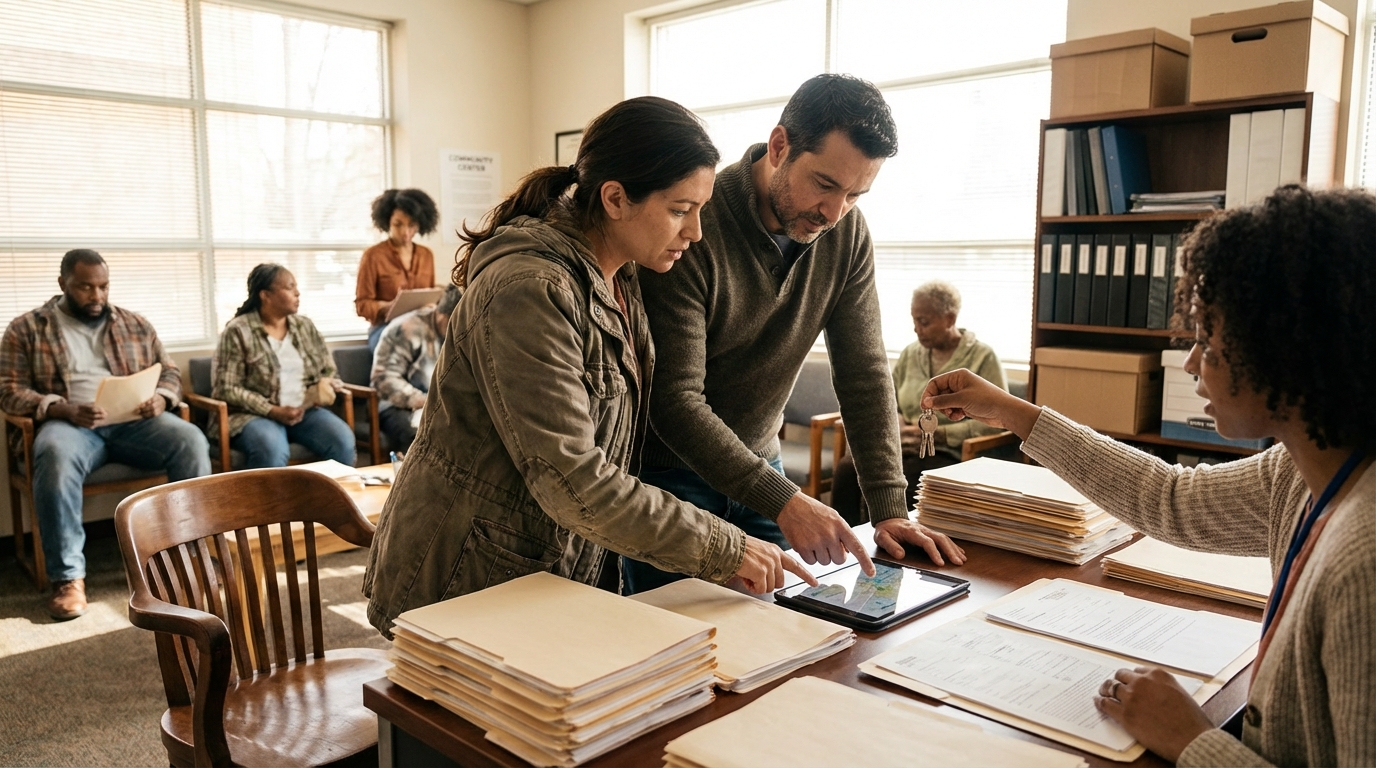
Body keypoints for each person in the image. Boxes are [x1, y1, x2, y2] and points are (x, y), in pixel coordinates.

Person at [921, 185, 1376, 767]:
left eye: (1207, 344)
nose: (1189, 364)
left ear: (1292, 353)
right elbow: (1170, 500)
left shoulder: (1363, 560)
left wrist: (1193, 742)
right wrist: (1012, 412)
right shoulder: (1301, 467)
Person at [364, 97, 817, 638]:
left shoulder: (619, 276)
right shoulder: (530, 289)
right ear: (616, 198)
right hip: (466, 582)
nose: (696, 232)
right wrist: (723, 545)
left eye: (700, 209)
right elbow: (573, 476)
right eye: (679, 210)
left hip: (548, 572)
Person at [626, 73, 965, 594]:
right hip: (672, 478)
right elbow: (674, 399)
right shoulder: (693, 223)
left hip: (763, 464)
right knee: (680, 643)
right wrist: (786, 500)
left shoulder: (846, 232)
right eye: (826, 184)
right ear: (780, 145)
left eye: (855, 194)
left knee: (794, 629)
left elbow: (865, 371)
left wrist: (890, 510)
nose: (834, 212)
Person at [0, 249, 210, 620]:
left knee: (190, 439)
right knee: (54, 454)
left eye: (103, 286)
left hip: (135, 423)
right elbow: (8, 390)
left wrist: (161, 399)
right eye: (85, 287)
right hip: (71, 425)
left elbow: (170, 373)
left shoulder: (134, 324)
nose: (97, 296)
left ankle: (190, 555)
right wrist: (60, 407)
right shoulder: (26, 328)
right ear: (63, 283)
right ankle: (68, 579)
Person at [830, 280, 1006, 524]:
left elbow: (998, 421)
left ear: (950, 319)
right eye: (914, 321)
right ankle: (847, 546)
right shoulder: (911, 353)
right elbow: (887, 400)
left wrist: (939, 435)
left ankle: (891, 548)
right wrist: (897, 423)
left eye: (924, 322)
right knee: (849, 470)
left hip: (952, 452)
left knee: (909, 478)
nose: (916, 329)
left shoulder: (983, 357)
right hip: (906, 444)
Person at [211, 264, 356, 469]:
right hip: (253, 415)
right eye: (289, 287)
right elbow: (226, 388)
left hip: (304, 411)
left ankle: (331, 501)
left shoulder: (304, 326)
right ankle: (270, 503)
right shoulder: (237, 331)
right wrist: (272, 410)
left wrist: (318, 390)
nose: (297, 293)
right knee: (271, 448)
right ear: (265, 295)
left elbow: (328, 368)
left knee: (342, 440)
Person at [370, 284, 461, 452]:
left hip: (437, 404)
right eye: (453, 323)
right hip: (397, 405)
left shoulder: (462, 334)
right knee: (420, 437)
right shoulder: (407, 328)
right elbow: (384, 379)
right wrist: (423, 400)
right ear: (442, 313)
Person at [356, 188, 439, 350]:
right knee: (411, 347)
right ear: (387, 221)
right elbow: (362, 305)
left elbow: (429, 297)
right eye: (398, 224)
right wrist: (388, 306)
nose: (405, 232)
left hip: (420, 326)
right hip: (384, 329)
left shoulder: (426, 255)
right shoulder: (373, 255)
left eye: (412, 225)